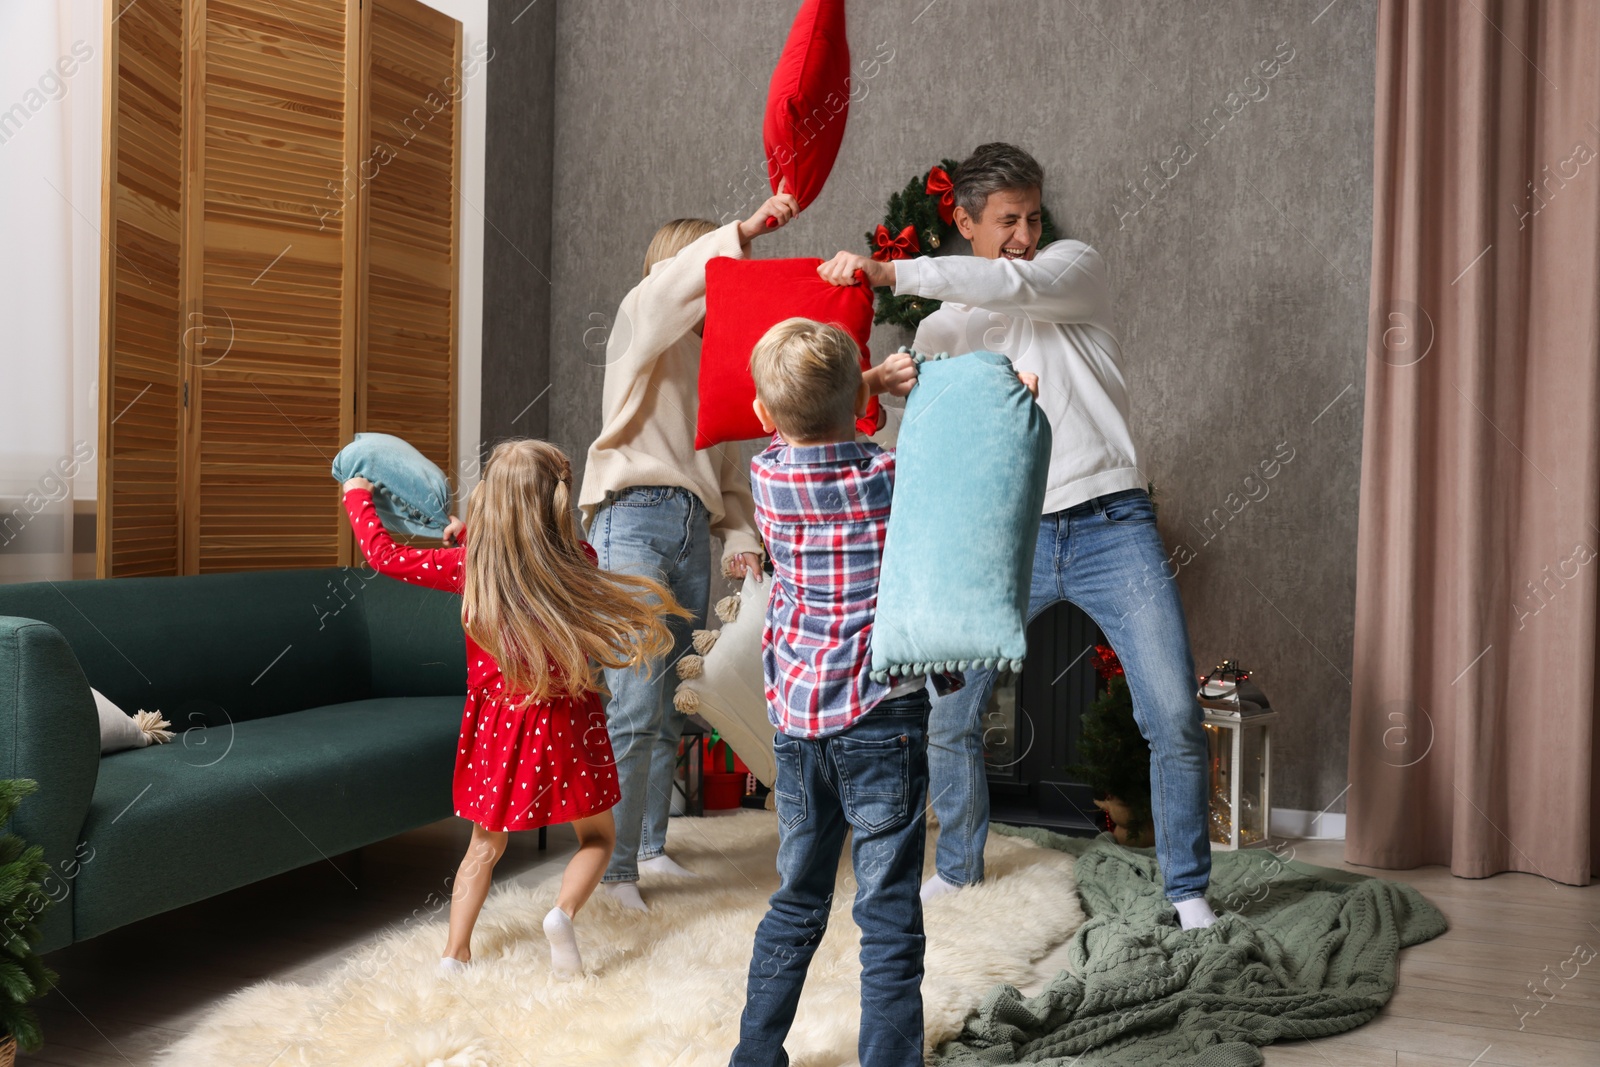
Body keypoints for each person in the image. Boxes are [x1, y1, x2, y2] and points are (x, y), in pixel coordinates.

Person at [818, 142, 1218, 930]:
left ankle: (1187, 888)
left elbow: (1013, 282)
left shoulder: (1072, 268)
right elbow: (927, 446)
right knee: (951, 713)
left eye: (1033, 216)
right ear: (965, 222)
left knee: (1170, 711)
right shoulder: (941, 334)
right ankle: (960, 868)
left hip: (1111, 522)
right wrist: (880, 389)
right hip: (1003, 540)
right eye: (1007, 221)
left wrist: (887, 272)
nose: (1026, 234)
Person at [731, 319, 1027, 1067]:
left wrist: (857, 385)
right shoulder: (891, 477)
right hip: (882, 717)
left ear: (767, 416)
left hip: (798, 726)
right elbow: (967, 477)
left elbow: (804, 417)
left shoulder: (766, 478)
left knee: (796, 900)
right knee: (889, 913)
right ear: (854, 405)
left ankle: (754, 1056)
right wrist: (1011, 407)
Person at [341, 439, 686, 978]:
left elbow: (383, 556)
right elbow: (529, 560)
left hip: (498, 725)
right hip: (569, 719)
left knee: (485, 845)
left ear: (490, 500)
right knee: (598, 838)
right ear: (555, 503)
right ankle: (562, 914)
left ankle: (454, 954)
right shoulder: (582, 561)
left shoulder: (468, 570)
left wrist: (357, 494)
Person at [578, 192, 799, 910]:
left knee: (666, 702)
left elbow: (730, 490)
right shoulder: (638, 329)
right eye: (716, 268)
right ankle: (611, 874)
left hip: (688, 533)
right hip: (632, 521)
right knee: (634, 697)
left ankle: (646, 846)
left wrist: (741, 543)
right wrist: (745, 229)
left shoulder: (716, 367)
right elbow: (668, 289)